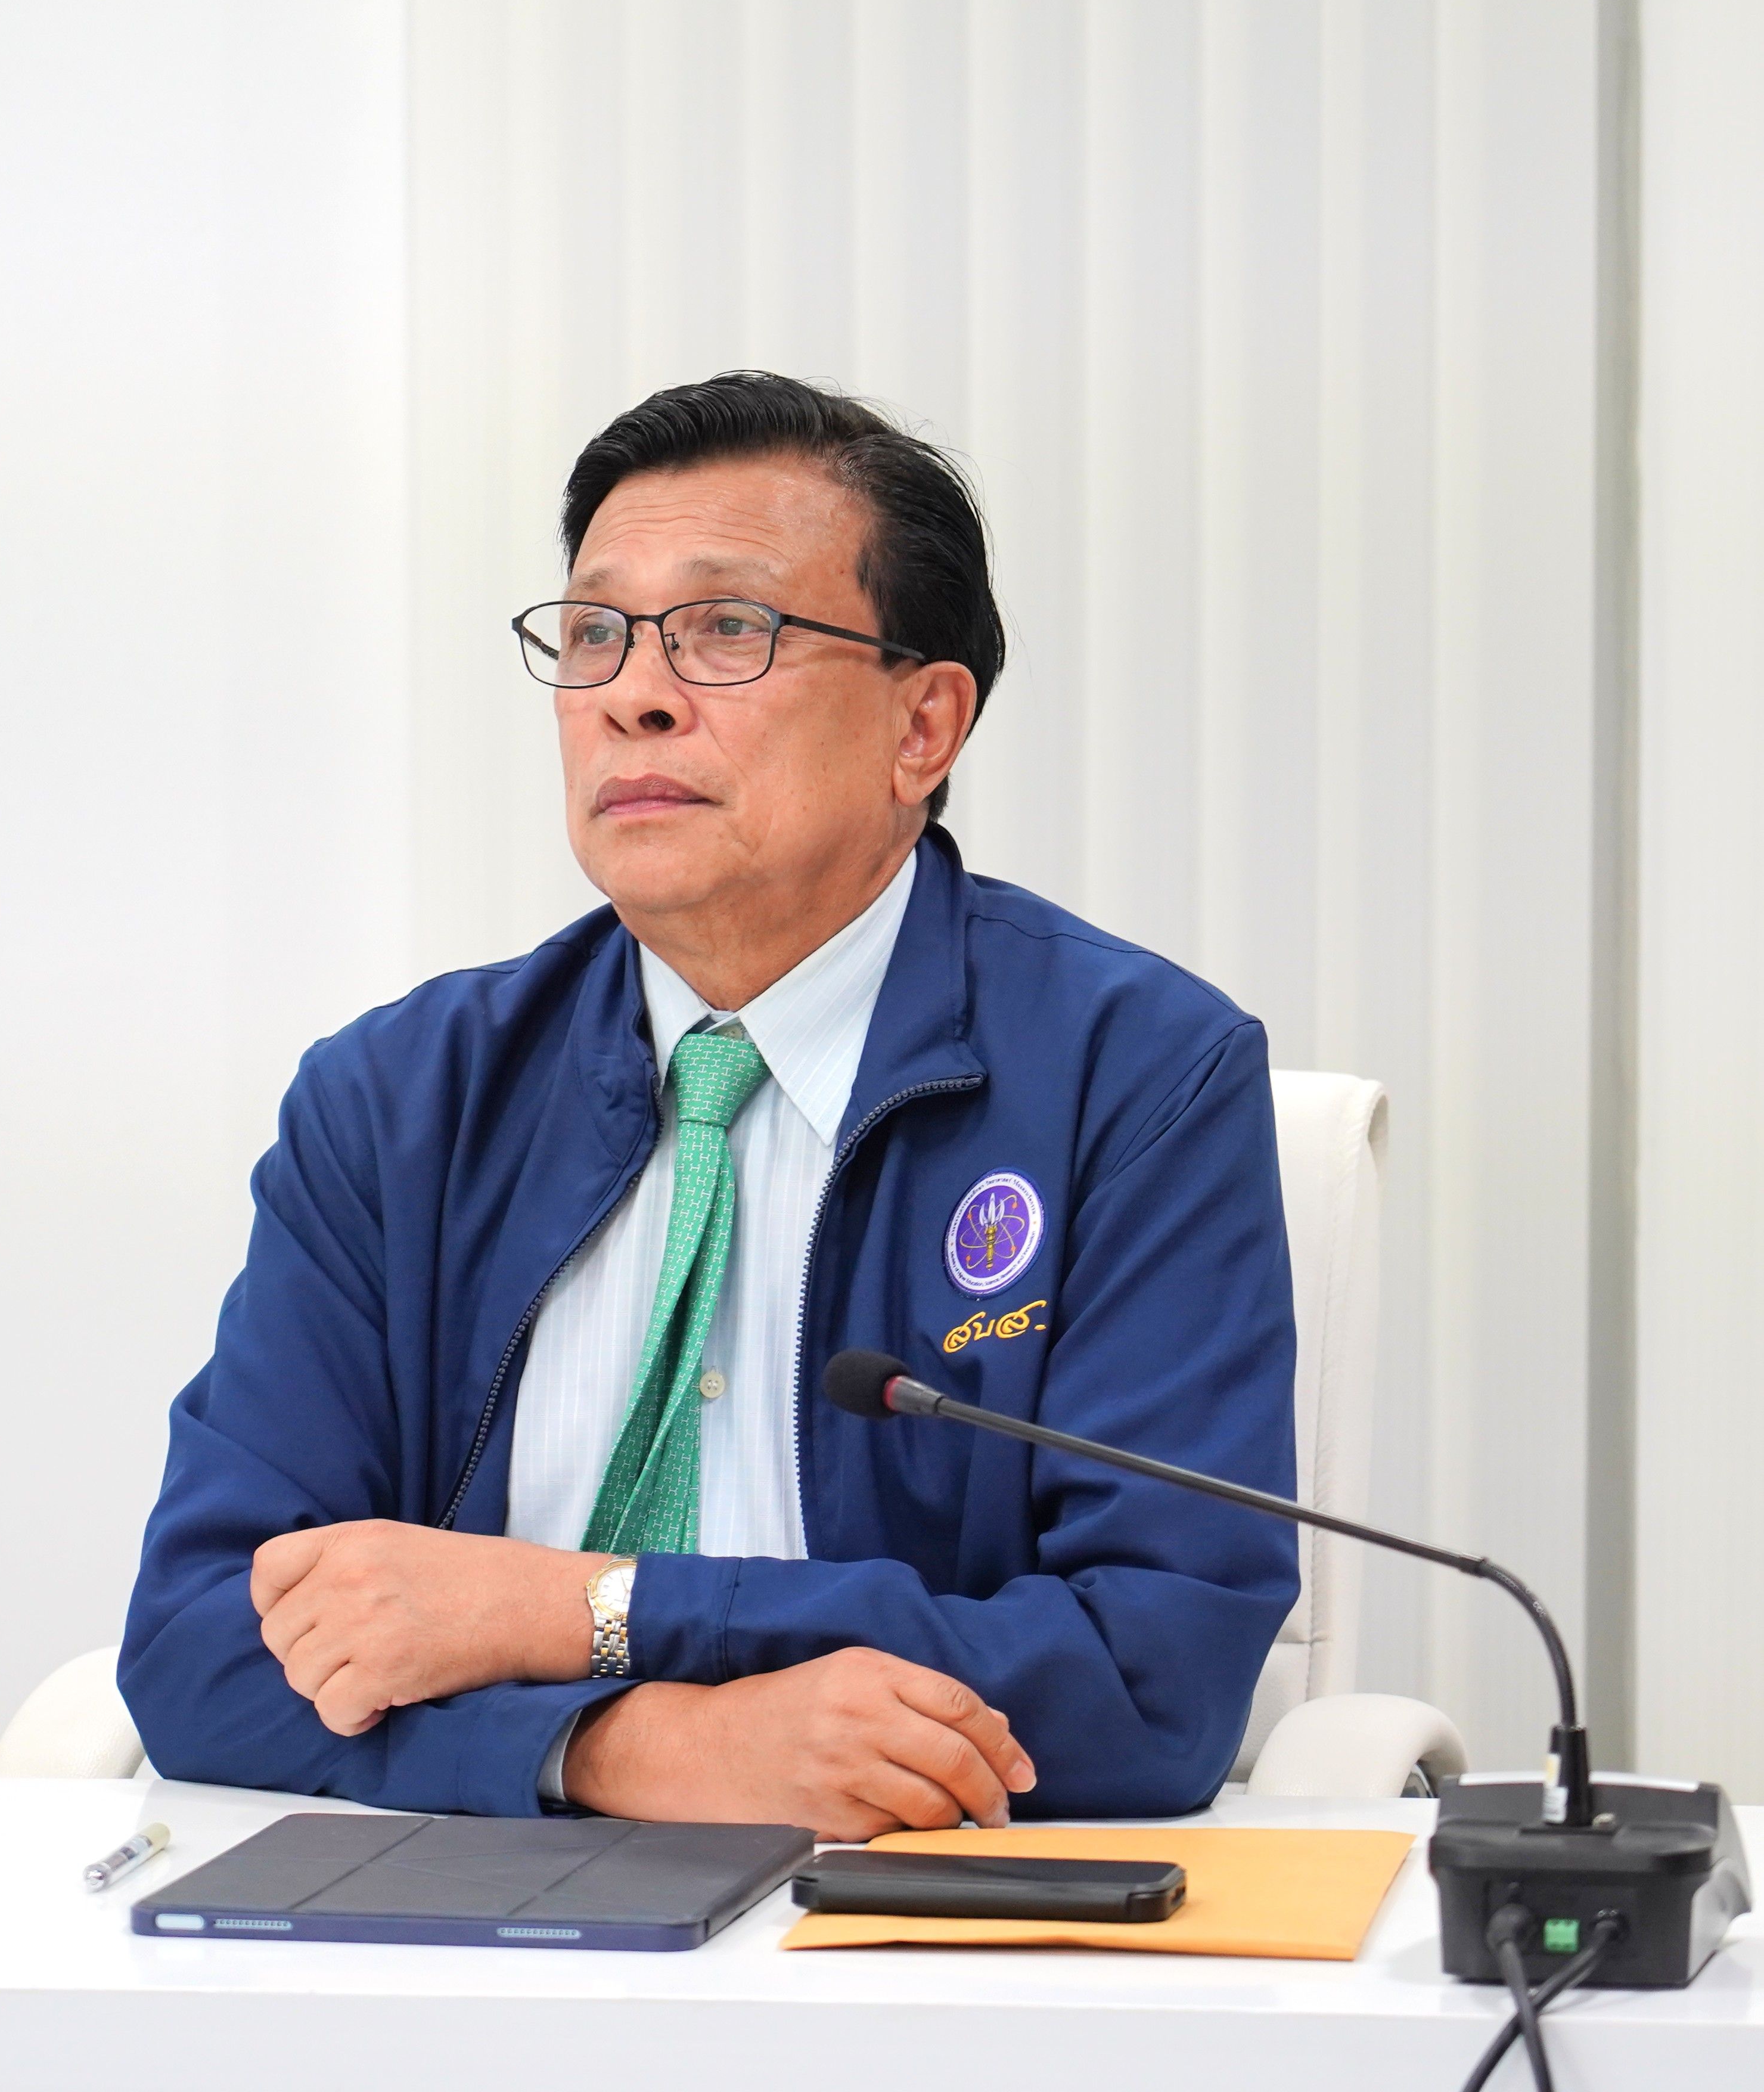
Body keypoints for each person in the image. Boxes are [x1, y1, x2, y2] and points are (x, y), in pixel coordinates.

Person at [120, 372, 1297, 1836]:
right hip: (471, 1908)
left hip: (912, 1909)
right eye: (595, 634)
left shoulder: (1134, 1073)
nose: (633, 692)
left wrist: (577, 1609)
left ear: (923, 724)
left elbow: (1150, 1670)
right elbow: (200, 1645)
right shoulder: (400, 1099)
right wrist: (637, 1747)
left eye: (727, 628)